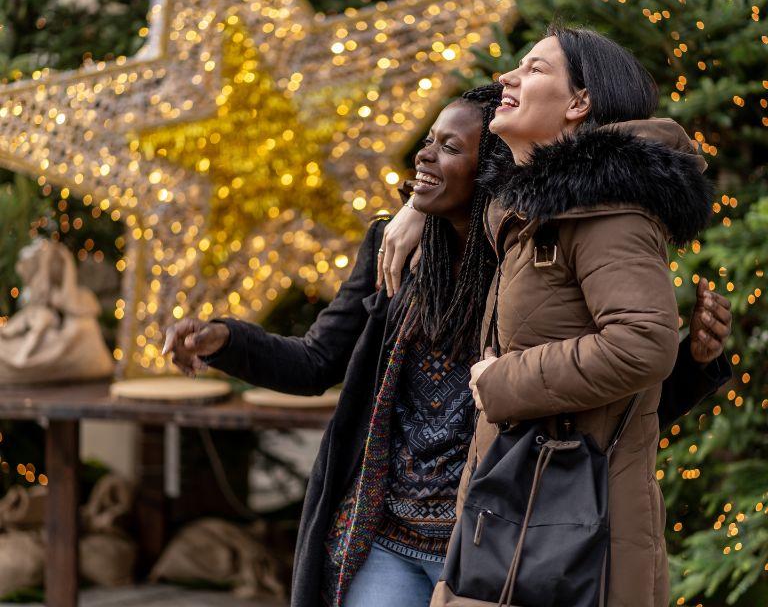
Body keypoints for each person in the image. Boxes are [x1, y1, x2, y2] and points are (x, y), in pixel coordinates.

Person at [164, 49, 730, 607]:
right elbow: (317, 362)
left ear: (489, 167)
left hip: (496, 537)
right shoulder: (397, 253)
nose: (423, 157)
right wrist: (228, 340)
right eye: (427, 141)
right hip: (385, 539)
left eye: (449, 147)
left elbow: (594, 401)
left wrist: (694, 363)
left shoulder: (530, 254)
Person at [378, 26, 731, 607]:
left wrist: (502, 382)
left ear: (578, 103)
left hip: (570, 541)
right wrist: (417, 210)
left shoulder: (605, 210)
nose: (506, 79)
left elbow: (640, 343)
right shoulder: (534, 213)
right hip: (520, 520)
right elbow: (459, 163)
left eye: (535, 69)